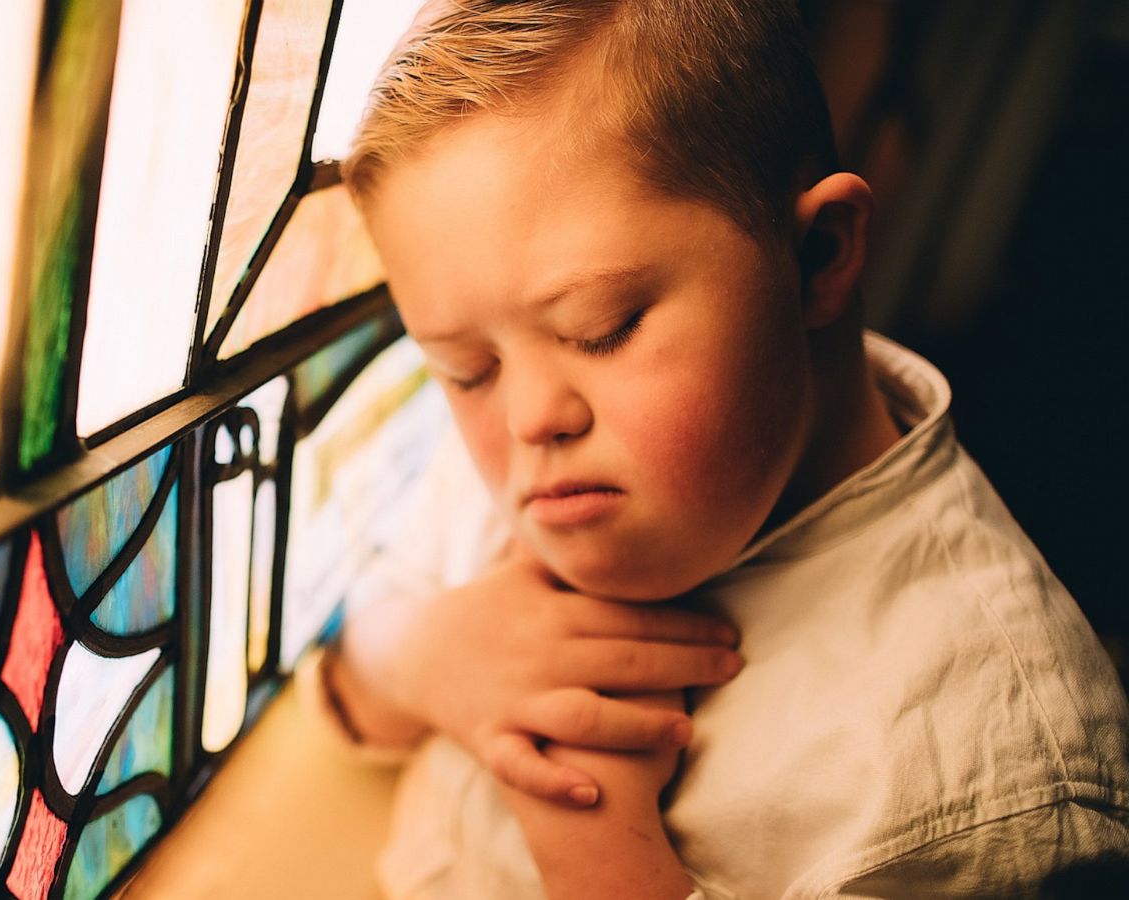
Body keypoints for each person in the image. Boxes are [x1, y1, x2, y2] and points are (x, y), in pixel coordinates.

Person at [299, 0, 1129, 896]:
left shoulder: (996, 784)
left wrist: (602, 853)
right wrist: (424, 654)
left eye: (603, 328)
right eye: (463, 369)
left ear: (815, 256)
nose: (528, 417)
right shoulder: (528, 460)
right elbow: (346, 683)